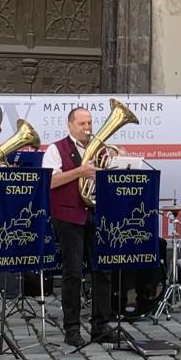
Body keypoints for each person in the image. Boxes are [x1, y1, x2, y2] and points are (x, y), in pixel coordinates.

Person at [42, 107, 120, 346]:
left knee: (103, 271)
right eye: (82, 124)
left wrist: (118, 162)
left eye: (90, 123)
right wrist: (79, 171)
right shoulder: (56, 149)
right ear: (70, 125)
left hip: (96, 214)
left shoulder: (99, 150)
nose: (87, 128)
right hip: (68, 216)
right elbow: (49, 182)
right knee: (73, 272)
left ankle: (101, 326)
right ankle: (72, 328)